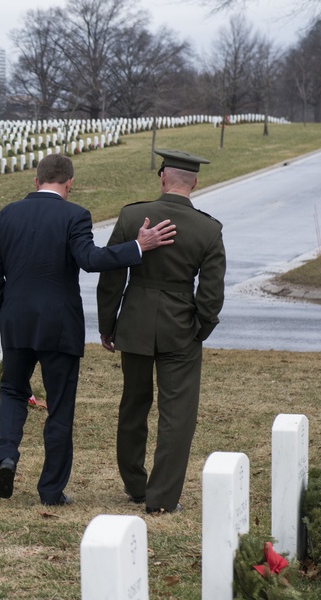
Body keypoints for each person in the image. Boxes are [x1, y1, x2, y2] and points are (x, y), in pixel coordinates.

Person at [0, 153, 176, 506]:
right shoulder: (75, 215)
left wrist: (0, 316)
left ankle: (7, 455)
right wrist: (138, 246)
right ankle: (51, 490)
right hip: (59, 326)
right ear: (69, 184)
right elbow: (90, 260)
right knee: (59, 407)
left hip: (16, 321)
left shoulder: (6, 215)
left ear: (35, 180)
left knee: (12, 390)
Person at [96, 149, 226, 515]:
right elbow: (212, 293)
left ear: (163, 178)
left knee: (134, 404)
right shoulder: (208, 229)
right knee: (177, 414)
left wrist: (109, 324)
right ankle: (163, 498)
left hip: (134, 323)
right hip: (180, 328)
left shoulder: (133, 215)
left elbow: (112, 276)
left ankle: (135, 485)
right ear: (195, 182)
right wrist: (199, 328)